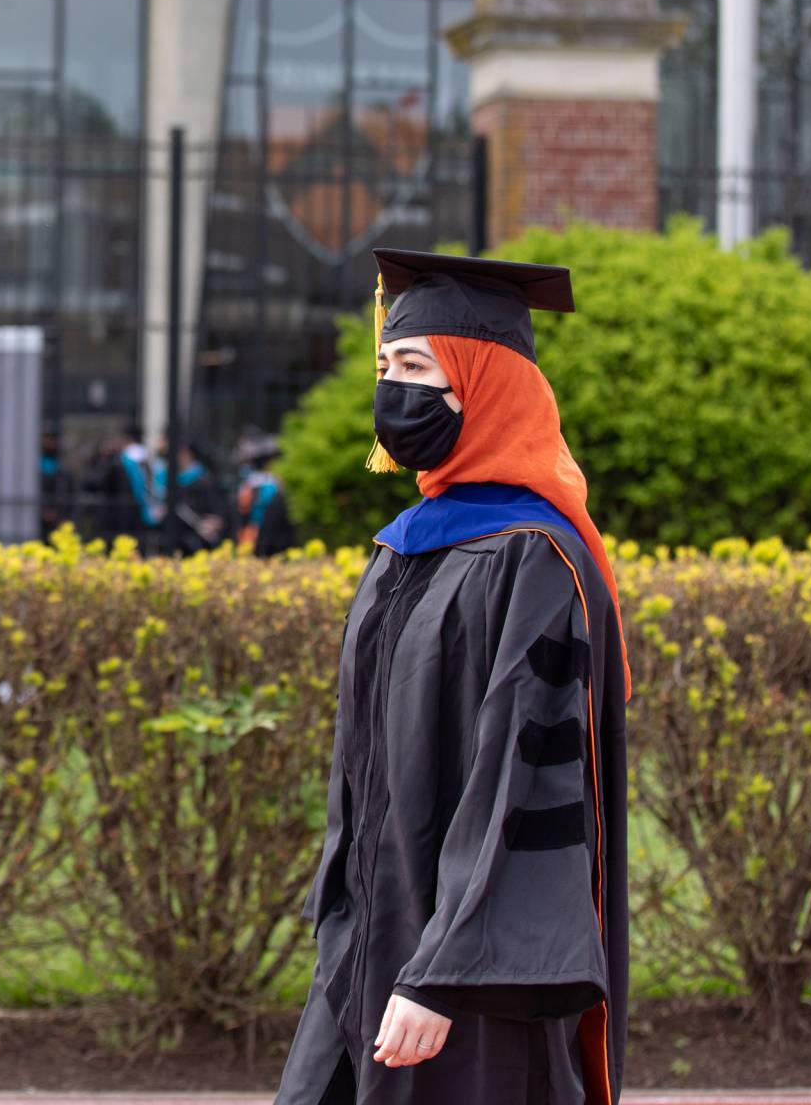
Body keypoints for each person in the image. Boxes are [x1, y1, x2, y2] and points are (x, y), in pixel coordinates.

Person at [274, 248, 631, 1105]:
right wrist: (349, 929)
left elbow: (519, 782)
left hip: (469, 978)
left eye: (416, 366)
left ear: (487, 383)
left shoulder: (536, 556)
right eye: (387, 365)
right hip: (370, 945)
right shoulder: (406, 545)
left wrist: (444, 973)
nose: (392, 389)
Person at [234, 428, 297, 558]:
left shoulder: (248, 485)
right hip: (271, 541)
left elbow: (242, 513)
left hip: (250, 538)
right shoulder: (275, 486)